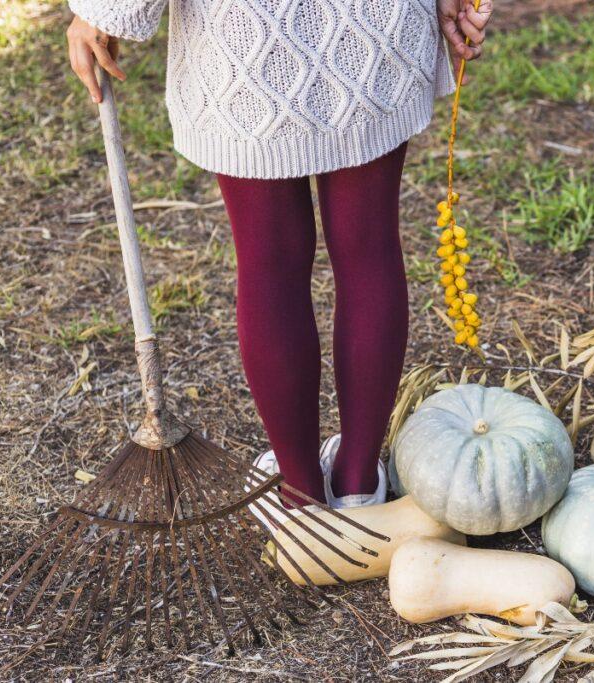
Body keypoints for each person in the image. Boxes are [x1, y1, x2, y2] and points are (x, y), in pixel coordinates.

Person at [66, 0, 493, 512]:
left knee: (270, 264)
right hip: (375, 30)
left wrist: (102, 11)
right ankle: (359, 482)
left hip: (248, 37)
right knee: (369, 249)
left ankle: (300, 490)